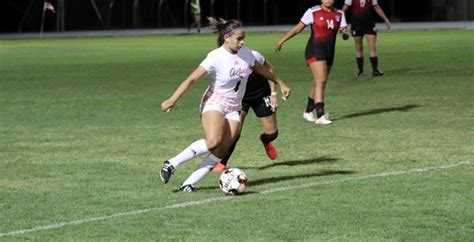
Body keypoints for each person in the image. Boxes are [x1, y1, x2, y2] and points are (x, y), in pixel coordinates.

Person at [160, 17, 291, 192]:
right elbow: (192, 79)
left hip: (235, 106)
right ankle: (171, 164)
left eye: (244, 38)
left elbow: (263, 70)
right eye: (239, 38)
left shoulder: (247, 53)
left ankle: (189, 183)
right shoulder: (215, 57)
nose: (242, 42)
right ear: (226, 37)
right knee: (213, 141)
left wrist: (280, 84)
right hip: (215, 101)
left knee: (222, 149)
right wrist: (173, 99)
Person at [275, 0, 349, 125]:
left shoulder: (340, 14)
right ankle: (320, 115)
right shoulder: (312, 12)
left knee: (318, 82)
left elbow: (345, 35)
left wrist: (345, 33)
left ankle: (308, 111)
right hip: (314, 49)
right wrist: (281, 41)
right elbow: (297, 28)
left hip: (329, 52)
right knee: (321, 80)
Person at [212, 50, 280, 173]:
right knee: (234, 131)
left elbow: (269, 69)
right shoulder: (223, 59)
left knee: (272, 133)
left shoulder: (254, 55)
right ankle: (222, 162)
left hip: (261, 93)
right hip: (240, 97)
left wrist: (273, 93)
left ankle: (265, 140)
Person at [342, 0, 391, 77]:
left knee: (369, 47)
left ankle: (370, 71)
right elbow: (344, 9)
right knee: (361, 48)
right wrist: (341, 23)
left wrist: (385, 18)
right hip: (360, 23)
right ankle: (365, 71)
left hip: (365, 23)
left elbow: (377, 7)